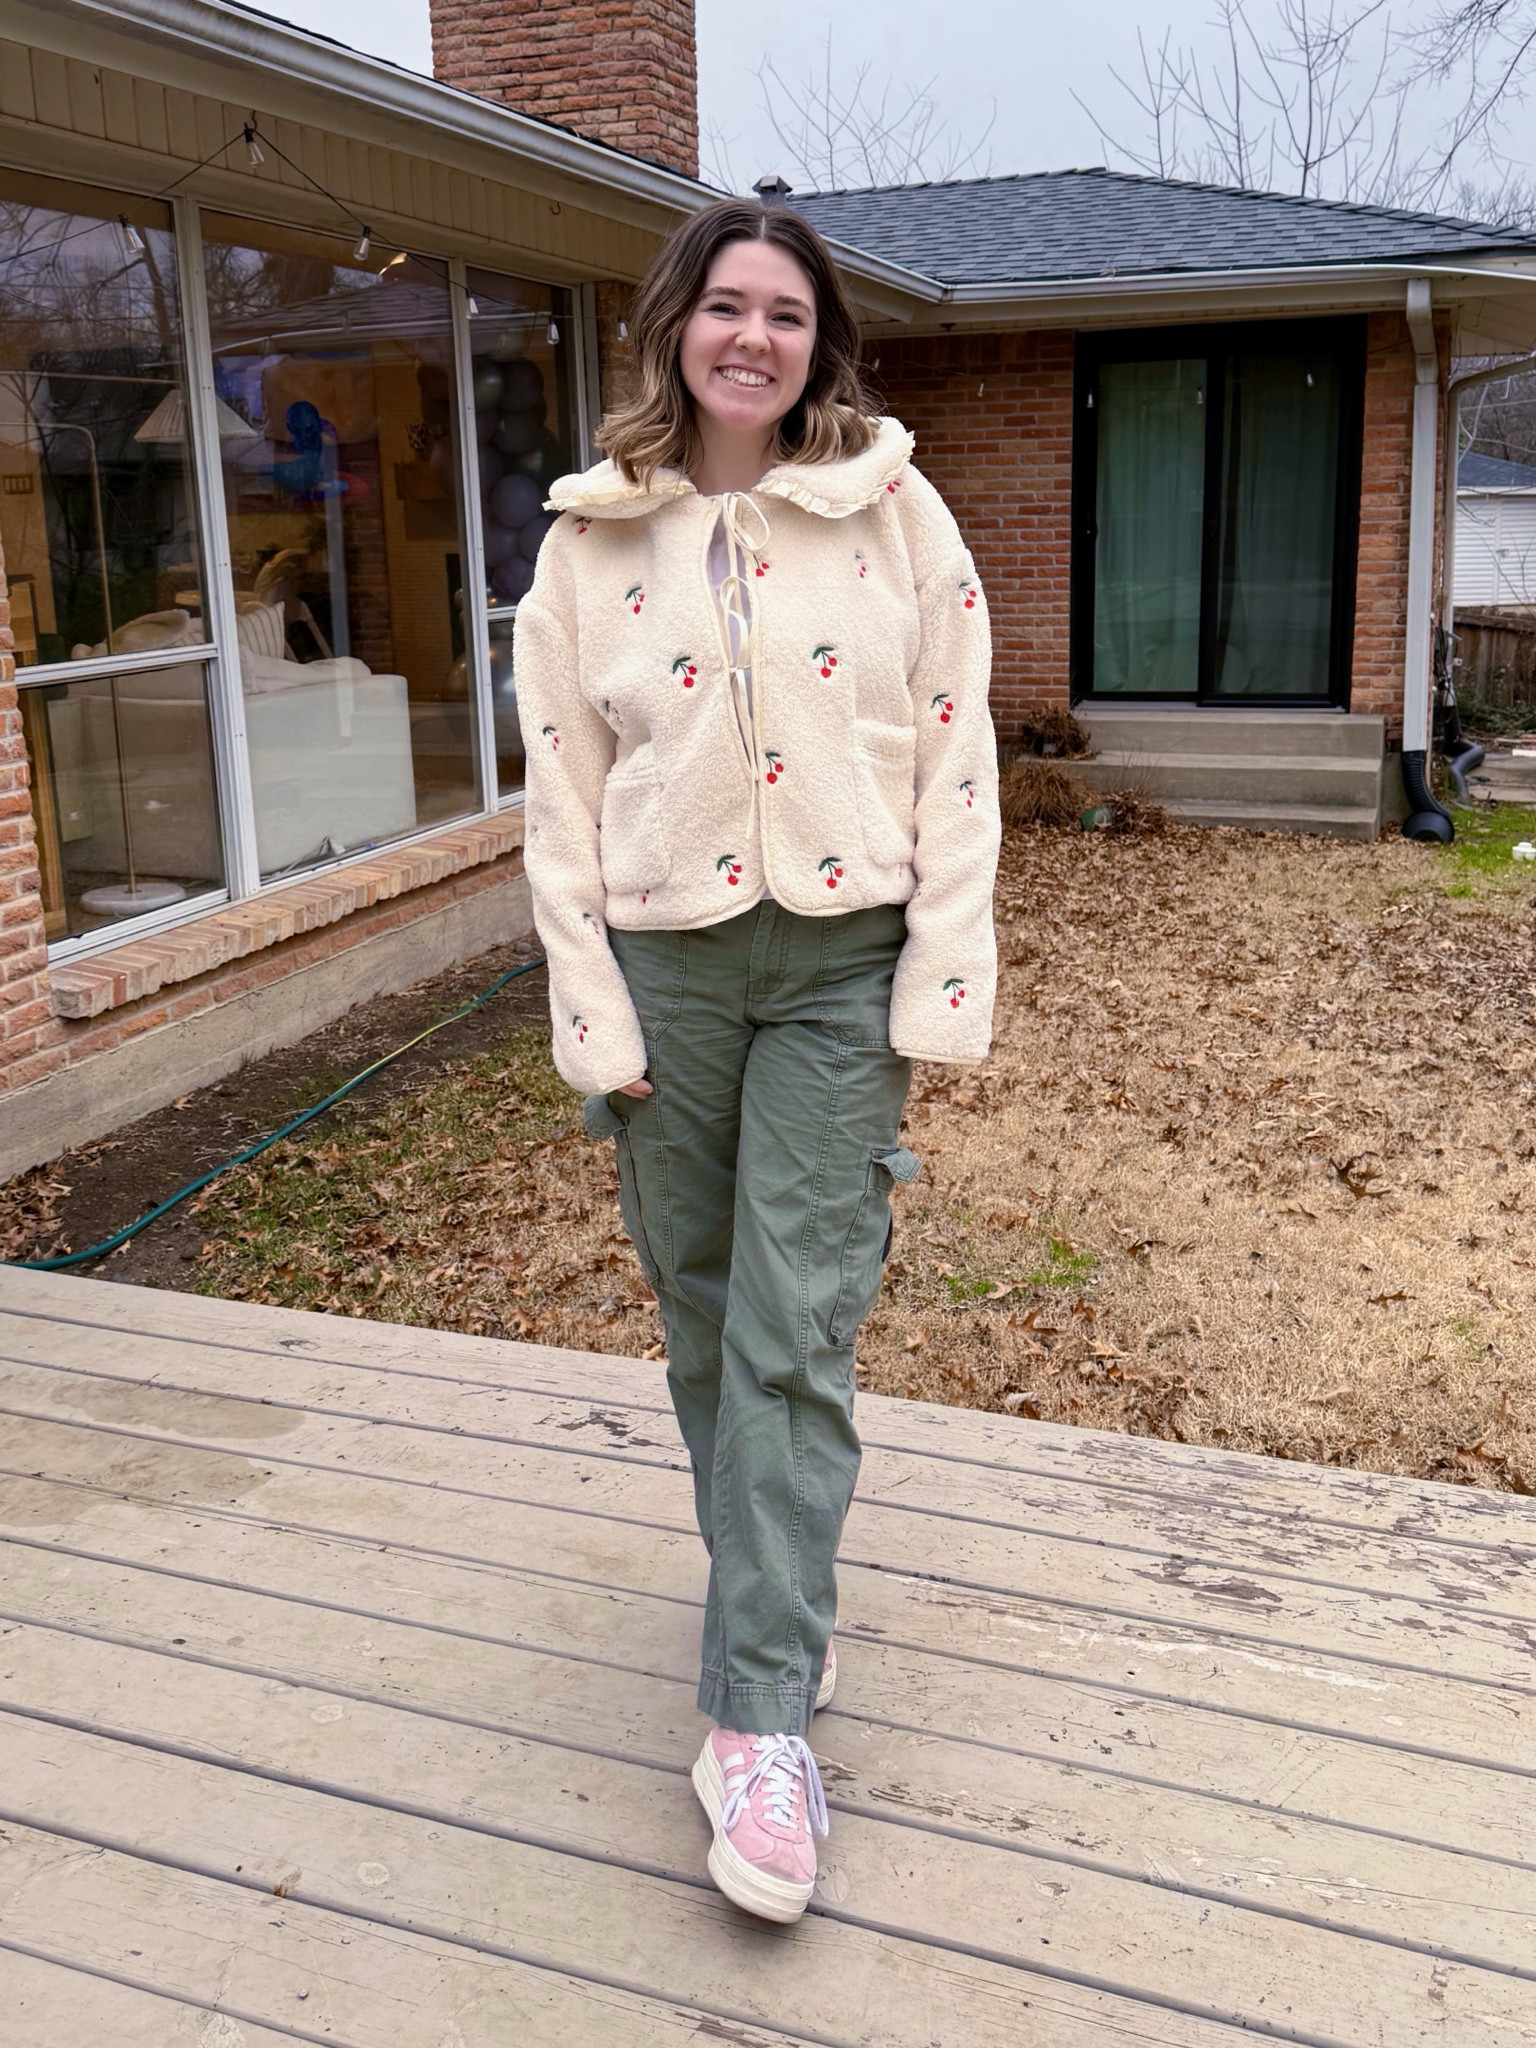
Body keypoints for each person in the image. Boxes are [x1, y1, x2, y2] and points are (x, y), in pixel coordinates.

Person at [516, 196, 1000, 1924]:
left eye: (786, 314)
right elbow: (560, 797)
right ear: (676, 329)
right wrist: (593, 1003)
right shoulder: (589, 544)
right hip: (670, 969)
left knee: (800, 1321)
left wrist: (945, 963)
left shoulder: (893, 510)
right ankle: (777, 1620)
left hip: (838, 964)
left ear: (820, 345)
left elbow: (956, 748)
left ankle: (759, 1722)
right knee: (711, 1318)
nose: (754, 338)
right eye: (725, 307)